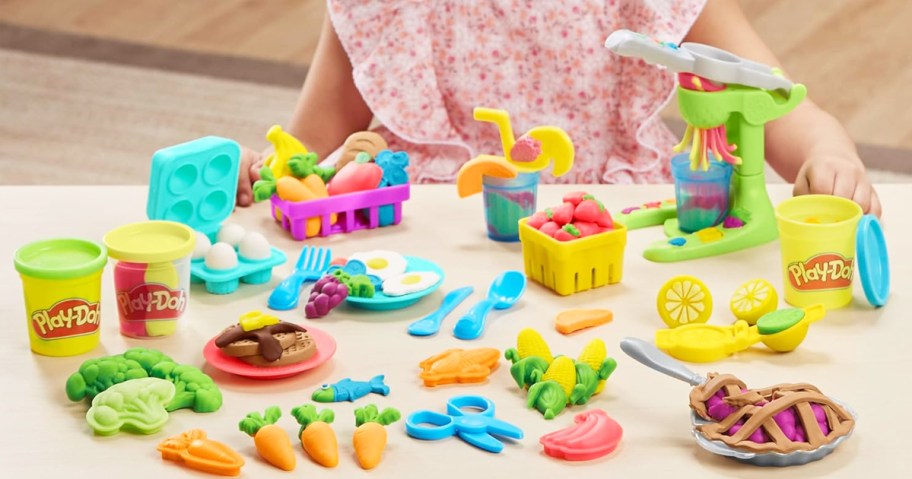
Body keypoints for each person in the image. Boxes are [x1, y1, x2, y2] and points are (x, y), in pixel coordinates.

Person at [236, 0, 881, 217]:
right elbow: (310, 144)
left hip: (609, 226)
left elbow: (774, 101)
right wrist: (259, 169)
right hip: (424, 233)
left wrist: (828, 153)